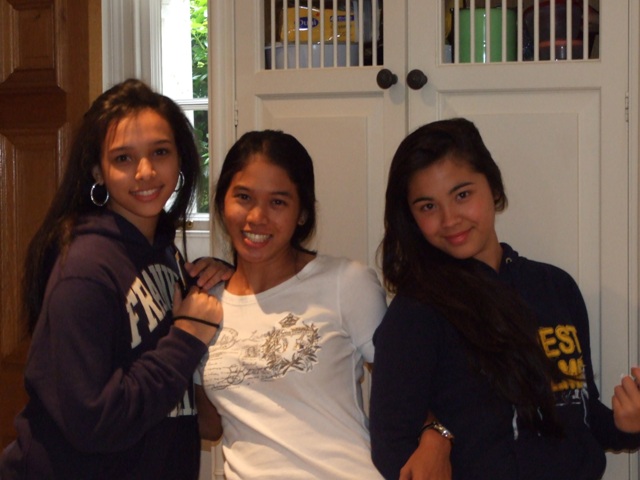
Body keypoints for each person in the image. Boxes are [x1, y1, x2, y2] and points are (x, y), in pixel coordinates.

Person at [369, 118, 640, 480]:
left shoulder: (556, 287)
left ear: (494, 189)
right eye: (428, 207)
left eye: (462, 195)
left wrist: (627, 424)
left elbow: (582, 415)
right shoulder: (416, 312)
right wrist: (437, 435)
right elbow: (391, 444)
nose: (449, 219)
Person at [0, 79, 232, 480]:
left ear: (180, 158)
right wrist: (186, 336)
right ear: (98, 171)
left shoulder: (165, 252)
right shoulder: (83, 270)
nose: (145, 172)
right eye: (123, 158)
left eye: (160, 152)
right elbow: (93, 421)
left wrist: (217, 278)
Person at [195, 129, 387, 479]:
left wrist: (439, 437)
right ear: (222, 202)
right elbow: (209, 426)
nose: (257, 217)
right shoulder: (205, 306)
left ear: (302, 213)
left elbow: (408, 389)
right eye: (243, 197)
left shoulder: (346, 283)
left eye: (278, 202)